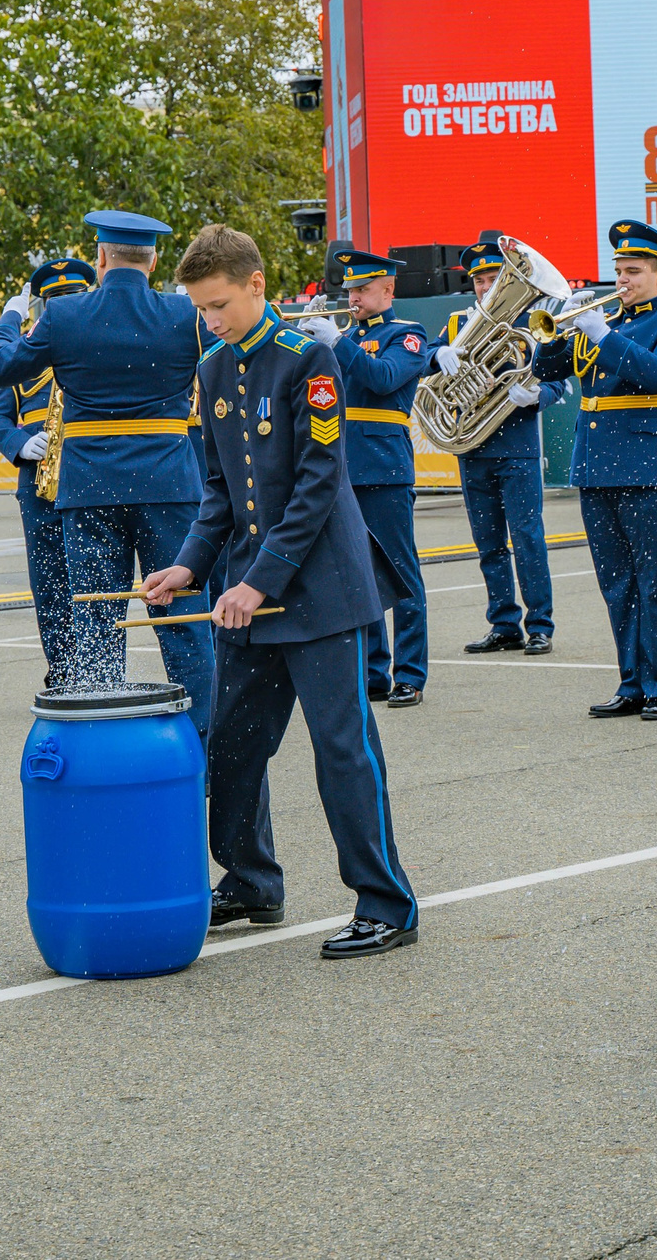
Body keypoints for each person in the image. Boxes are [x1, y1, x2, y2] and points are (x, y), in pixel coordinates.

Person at [142, 223, 417, 960]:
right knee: (232, 743)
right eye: (201, 308)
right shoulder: (212, 367)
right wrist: (190, 567)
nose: (211, 319)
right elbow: (220, 494)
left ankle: (385, 900)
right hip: (246, 597)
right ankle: (252, 879)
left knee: (342, 749)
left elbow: (318, 485)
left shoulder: (310, 358)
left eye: (221, 303)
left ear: (257, 285)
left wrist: (258, 579)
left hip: (319, 591)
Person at [0, 210, 217, 735]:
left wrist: (8, 316)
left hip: (90, 488)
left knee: (96, 620)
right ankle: (205, 750)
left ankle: (102, 742)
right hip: (169, 486)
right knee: (183, 623)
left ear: (101, 257)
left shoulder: (64, 316)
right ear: (154, 261)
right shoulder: (184, 316)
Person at [530, 220, 657, 721]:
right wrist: (553, 332)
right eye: (618, 271)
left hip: (653, 466)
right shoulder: (603, 322)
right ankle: (632, 682)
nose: (622, 280)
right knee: (617, 583)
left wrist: (602, 334)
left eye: (633, 271)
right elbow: (547, 371)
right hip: (597, 466)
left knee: (656, 579)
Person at [298, 248, 431, 707]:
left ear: (388, 290)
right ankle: (373, 672)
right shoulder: (341, 337)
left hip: (383, 465)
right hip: (339, 465)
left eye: (363, 288)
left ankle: (410, 673)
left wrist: (337, 343)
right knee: (358, 575)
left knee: (400, 570)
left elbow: (381, 378)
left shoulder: (408, 335)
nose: (353, 296)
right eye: (350, 288)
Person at [429, 239, 561, 655]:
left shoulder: (533, 323)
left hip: (517, 447)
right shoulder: (455, 325)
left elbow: (558, 381)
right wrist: (438, 356)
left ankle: (540, 624)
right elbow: (427, 358)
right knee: (488, 543)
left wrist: (537, 396)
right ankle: (503, 623)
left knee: (527, 538)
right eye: (481, 281)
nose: (486, 287)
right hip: (472, 448)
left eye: (494, 278)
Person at [0, 254, 97, 687]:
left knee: (92, 576)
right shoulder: (24, 351)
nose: (65, 306)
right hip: (39, 481)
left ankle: (93, 670)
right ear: (44, 306)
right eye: (57, 300)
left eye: (73, 297)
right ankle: (63, 671)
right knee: (49, 583)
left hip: (87, 473)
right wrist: (18, 444)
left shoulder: (97, 341)